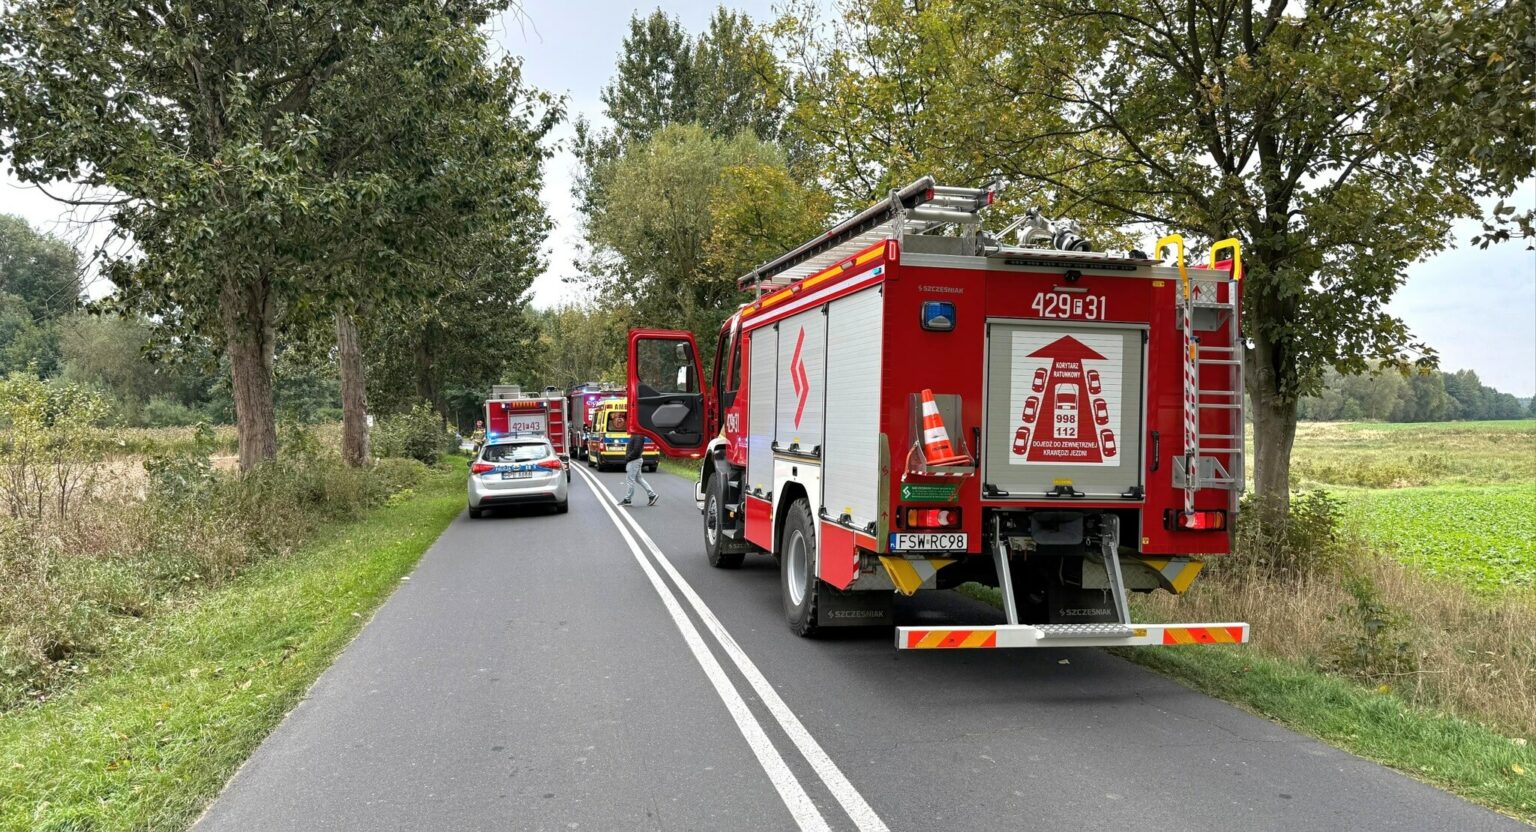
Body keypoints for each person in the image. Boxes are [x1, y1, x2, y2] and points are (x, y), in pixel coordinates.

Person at [617, 432, 657, 507]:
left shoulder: (638, 435)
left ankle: (628, 499)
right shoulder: (637, 434)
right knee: (639, 479)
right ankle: (652, 495)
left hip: (634, 460)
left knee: (630, 479)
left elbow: (637, 450)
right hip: (636, 459)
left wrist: (628, 457)